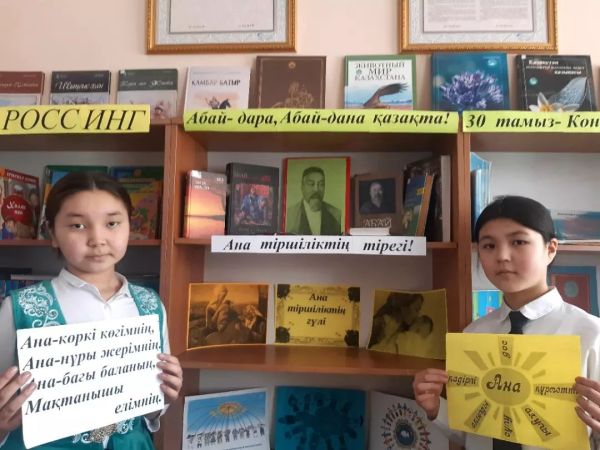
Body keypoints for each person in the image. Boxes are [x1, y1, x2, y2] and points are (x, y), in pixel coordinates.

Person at [0, 172, 183, 449]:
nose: (98, 239)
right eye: (77, 225)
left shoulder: (150, 304)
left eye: (112, 223)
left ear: (129, 226)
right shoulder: (19, 308)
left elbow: (150, 409)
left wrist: (162, 399)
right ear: (53, 233)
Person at [412, 195, 600, 449]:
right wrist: (436, 409)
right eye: (489, 245)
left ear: (550, 249)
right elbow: (475, 432)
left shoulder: (591, 335)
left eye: (518, 242)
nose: (502, 256)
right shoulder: (474, 335)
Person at [285, 167, 342, 235]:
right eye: (311, 184)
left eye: (321, 184)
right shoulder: (289, 215)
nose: (316, 189)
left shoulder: (336, 214)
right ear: (302, 186)